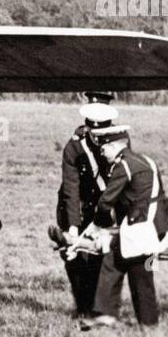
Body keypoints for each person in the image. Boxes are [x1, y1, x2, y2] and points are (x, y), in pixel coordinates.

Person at [86, 125, 168, 328]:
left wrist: (99, 225)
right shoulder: (146, 160)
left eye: (104, 148)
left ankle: (147, 324)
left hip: (138, 230)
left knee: (138, 274)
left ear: (114, 146)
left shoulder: (123, 166)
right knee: (117, 264)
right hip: (156, 227)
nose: (102, 153)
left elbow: (106, 202)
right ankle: (108, 314)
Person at [54, 101, 118, 317]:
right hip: (75, 207)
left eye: (102, 132)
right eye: (93, 131)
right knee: (75, 259)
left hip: (102, 208)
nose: (98, 137)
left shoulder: (117, 143)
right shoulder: (74, 148)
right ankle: (82, 308)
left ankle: (97, 308)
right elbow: (71, 190)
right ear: (86, 127)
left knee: (99, 258)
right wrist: (73, 227)